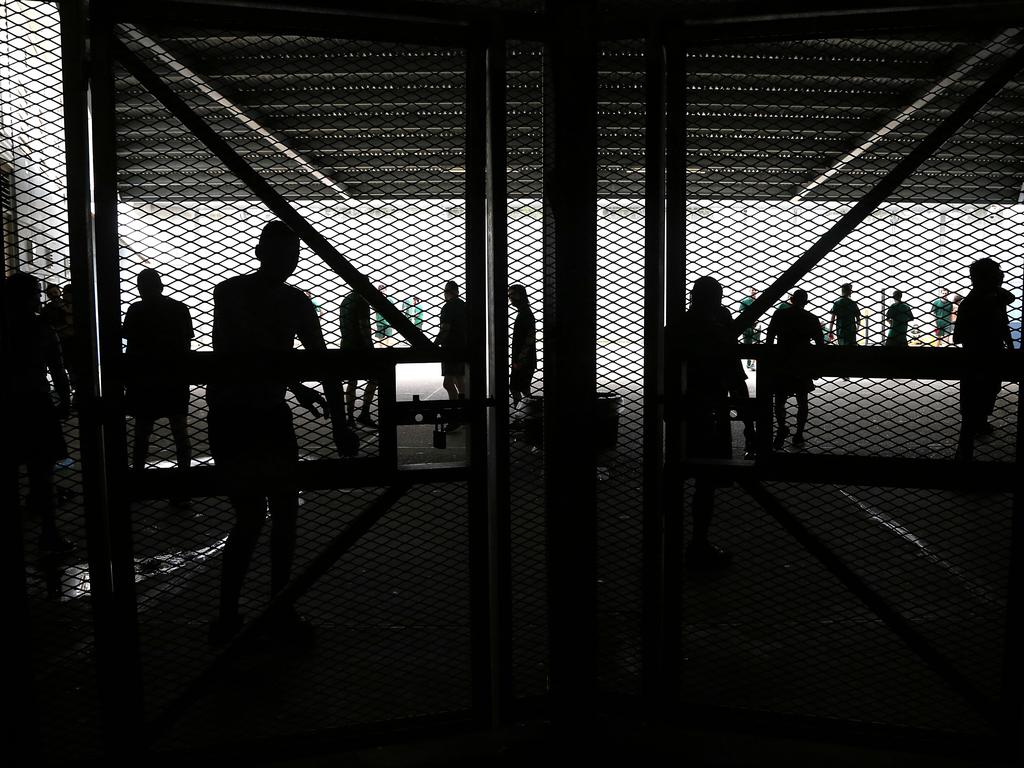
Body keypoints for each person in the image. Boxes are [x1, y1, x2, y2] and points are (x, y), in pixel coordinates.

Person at [206, 221, 356, 646]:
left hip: (232, 413)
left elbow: (248, 353)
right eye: (286, 256)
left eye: (291, 257)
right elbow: (310, 359)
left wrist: (296, 387)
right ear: (269, 255)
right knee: (279, 513)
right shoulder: (294, 302)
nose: (289, 264)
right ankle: (277, 607)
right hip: (260, 414)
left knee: (253, 517)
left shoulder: (229, 292)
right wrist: (339, 421)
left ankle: (231, 614)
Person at [677, 276, 751, 571]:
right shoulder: (718, 332)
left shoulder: (678, 328)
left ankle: (668, 541)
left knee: (675, 473)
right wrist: (750, 425)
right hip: (711, 412)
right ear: (718, 300)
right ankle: (698, 542)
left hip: (682, 411)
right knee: (706, 482)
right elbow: (735, 379)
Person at [3, 272, 74, 554]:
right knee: (42, 472)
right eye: (34, 293)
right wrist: (65, 400)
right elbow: (57, 369)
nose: (40, 297)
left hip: (11, 404)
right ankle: (49, 533)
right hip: (35, 404)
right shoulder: (41, 328)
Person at [122, 269, 194, 505]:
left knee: (142, 433)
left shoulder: (135, 310)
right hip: (173, 377)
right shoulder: (179, 309)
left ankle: (137, 480)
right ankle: (183, 487)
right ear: (161, 286)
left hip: (145, 379)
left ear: (140, 288)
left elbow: (130, 346)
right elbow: (186, 345)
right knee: (179, 433)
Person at [953, 258, 1014, 461]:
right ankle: (964, 451)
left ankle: (975, 430)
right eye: (997, 272)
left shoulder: (991, 298)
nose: (1001, 275)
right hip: (979, 357)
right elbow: (959, 335)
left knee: (985, 395)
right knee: (972, 406)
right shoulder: (975, 302)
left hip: (983, 356)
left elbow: (1006, 311)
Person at [765, 289, 824, 448]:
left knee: (779, 400)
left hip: (783, 361)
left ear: (791, 300)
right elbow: (820, 344)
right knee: (802, 401)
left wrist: (769, 360)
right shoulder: (811, 318)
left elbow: (770, 337)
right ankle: (799, 434)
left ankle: (782, 426)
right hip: (801, 363)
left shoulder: (779, 315)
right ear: (806, 302)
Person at [339, 290, 377, 428]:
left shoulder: (346, 300)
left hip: (346, 345)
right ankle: (365, 412)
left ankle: (349, 417)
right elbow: (364, 327)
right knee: (375, 379)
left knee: (352, 381)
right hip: (360, 347)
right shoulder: (362, 301)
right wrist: (370, 347)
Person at [435, 280, 467, 425]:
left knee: (448, 383)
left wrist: (435, 344)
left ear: (448, 292)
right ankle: (464, 409)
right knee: (459, 379)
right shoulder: (464, 306)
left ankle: (456, 415)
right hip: (462, 348)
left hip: (450, 349)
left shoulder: (447, 308)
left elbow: (445, 329)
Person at [508, 284, 536, 406]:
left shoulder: (525, 314)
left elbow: (530, 337)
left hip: (523, 360)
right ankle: (526, 414)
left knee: (515, 388)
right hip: (526, 359)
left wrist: (520, 358)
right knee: (524, 389)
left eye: (512, 294)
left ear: (520, 295)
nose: (510, 297)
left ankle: (521, 415)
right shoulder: (525, 313)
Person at [738, 287, 759, 370]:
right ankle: (749, 363)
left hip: (756, 325)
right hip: (747, 326)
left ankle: (753, 363)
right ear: (749, 291)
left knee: (756, 343)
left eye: (755, 290)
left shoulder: (759, 301)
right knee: (748, 343)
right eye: (752, 290)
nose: (754, 291)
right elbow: (740, 311)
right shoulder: (745, 301)